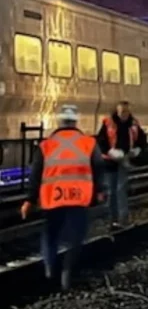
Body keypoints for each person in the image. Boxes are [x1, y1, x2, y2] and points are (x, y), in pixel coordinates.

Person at [20, 105, 105, 291]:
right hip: (79, 198)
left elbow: (35, 174)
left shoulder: (46, 145)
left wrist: (29, 200)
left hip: (53, 199)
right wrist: (100, 191)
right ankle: (67, 273)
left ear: (59, 121)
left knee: (51, 236)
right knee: (76, 237)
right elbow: (98, 168)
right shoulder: (89, 143)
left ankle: (50, 271)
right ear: (75, 121)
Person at [96, 100, 147, 228]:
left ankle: (122, 219)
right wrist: (110, 151)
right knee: (111, 191)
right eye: (122, 111)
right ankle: (112, 219)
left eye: (126, 111)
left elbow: (142, 139)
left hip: (124, 161)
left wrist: (137, 149)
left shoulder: (133, 124)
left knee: (120, 189)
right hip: (109, 161)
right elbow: (101, 141)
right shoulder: (108, 123)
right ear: (117, 111)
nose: (124, 114)